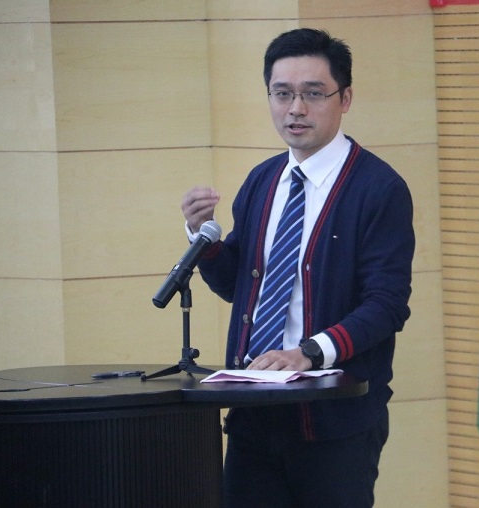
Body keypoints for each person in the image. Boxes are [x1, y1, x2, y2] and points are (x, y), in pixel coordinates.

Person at [180, 28, 415, 508]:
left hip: (334, 416)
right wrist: (204, 238)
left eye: (313, 94)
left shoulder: (379, 188)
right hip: (254, 411)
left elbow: (387, 305)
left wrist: (308, 353)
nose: (296, 109)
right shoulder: (263, 180)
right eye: (282, 94)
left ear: (345, 98)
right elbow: (239, 287)